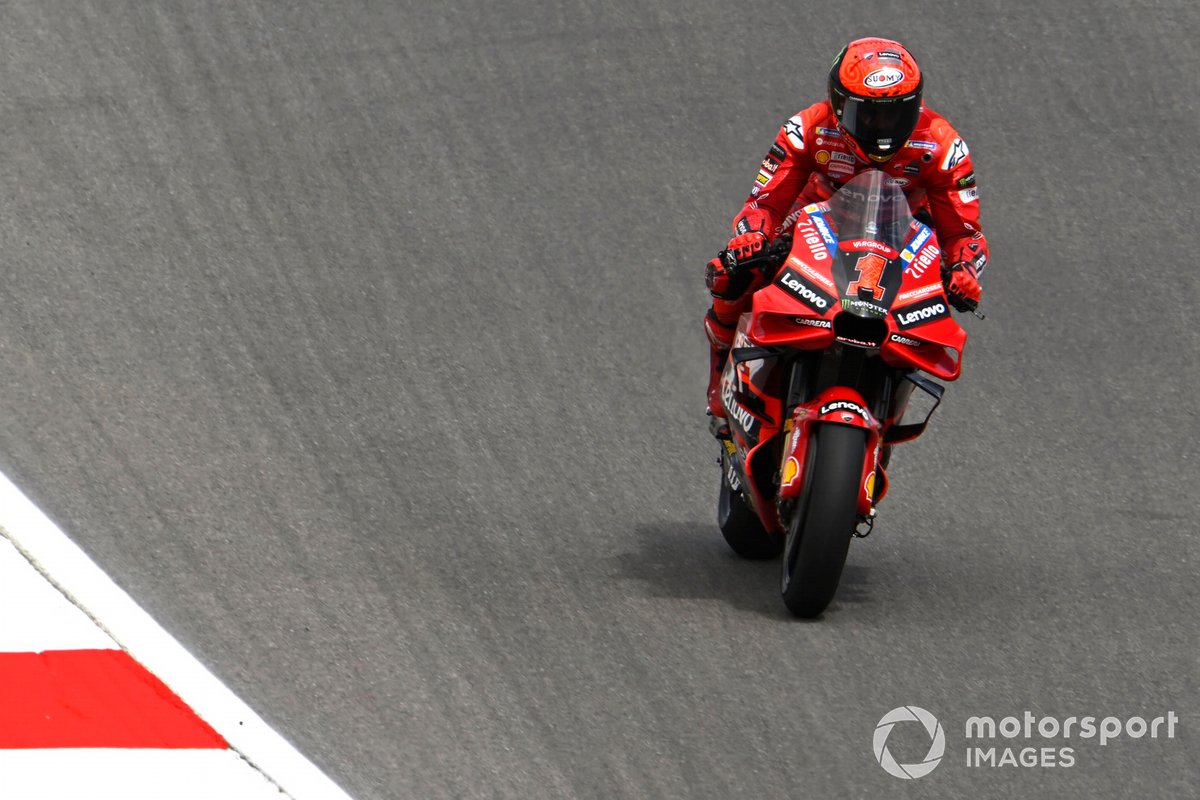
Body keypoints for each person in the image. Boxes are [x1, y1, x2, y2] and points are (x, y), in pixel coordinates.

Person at [704, 38, 989, 429]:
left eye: (895, 115)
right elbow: (764, 204)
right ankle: (720, 375)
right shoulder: (807, 129)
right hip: (816, 219)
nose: (880, 128)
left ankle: (888, 400)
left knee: (934, 312)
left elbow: (965, 232)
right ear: (838, 105)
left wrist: (963, 270)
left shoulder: (942, 146)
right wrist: (752, 236)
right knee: (731, 270)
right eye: (866, 115)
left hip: (903, 233)